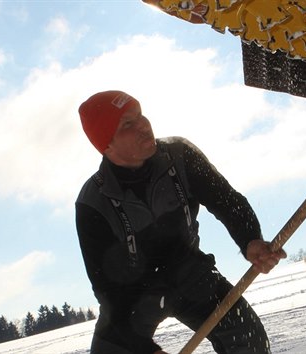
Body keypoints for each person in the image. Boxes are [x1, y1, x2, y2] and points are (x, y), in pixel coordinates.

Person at [75, 90, 286, 354]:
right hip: (135, 297)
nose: (143, 126)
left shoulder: (179, 155)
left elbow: (226, 200)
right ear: (107, 144)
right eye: (127, 124)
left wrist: (250, 239)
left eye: (140, 115)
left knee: (249, 338)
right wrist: (145, 350)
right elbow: (107, 288)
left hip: (192, 275)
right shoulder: (93, 203)